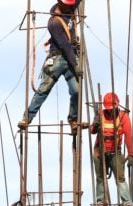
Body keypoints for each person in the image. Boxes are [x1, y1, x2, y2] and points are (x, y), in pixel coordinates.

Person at [18, 0, 83, 130]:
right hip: (58, 59)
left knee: (76, 91)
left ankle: (73, 119)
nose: (71, 7)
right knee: (43, 90)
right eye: (68, 5)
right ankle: (27, 118)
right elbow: (65, 45)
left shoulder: (69, 9)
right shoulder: (53, 23)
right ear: (61, 4)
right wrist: (75, 64)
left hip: (70, 58)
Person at [89, 92, 133, 206]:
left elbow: (128, 136)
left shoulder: (123, 116)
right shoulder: (100, 115)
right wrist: (95, 124)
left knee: (120, 178)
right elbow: (92, 131)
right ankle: (100, 202)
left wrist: (131, 154)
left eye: (112, 109)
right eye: (108, 109)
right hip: (100, 151)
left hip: (115, 152)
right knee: (100, 177)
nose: (110, 111)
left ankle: (127, 202)